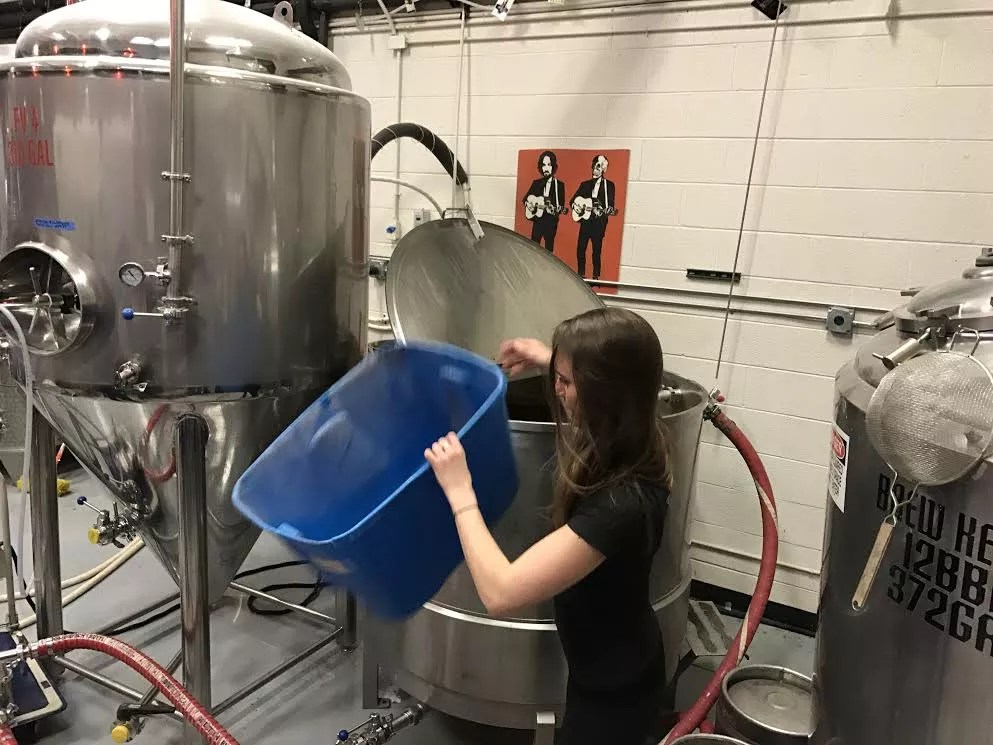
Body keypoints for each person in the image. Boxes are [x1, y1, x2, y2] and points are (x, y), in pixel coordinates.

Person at [424, 307, 673, 745]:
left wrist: (460, 492)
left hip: (615, 698)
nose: (556, 390)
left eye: (566, 382)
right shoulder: (641, 440)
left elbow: (501, 592)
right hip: (607, 667)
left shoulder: (621, 506)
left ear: (603, 394)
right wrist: (550, 358)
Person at [570, 154, 617, 281]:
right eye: (595, 166)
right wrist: (577, 208)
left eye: (599, 167)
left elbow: (610, 205)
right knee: (581, 249)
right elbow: (572, 201)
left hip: (598, 224)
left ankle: (596, 277)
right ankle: (580, 274)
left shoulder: (609, 186)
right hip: (585, 222)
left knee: (596, 251)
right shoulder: (584, 185)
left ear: (603, 170)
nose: (596, 169)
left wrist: (605, 211)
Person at [523, 150, 567, 252]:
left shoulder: (559, 185)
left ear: (553, 166)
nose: (546, 168)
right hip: (537, 222)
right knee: (533, 248)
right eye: (543, 165)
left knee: (548, 250)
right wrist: (529, 205)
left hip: (550, 223)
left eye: (549, 165)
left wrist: (555, 210)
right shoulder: (536, 183)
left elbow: (560, 205)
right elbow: (525, 199)